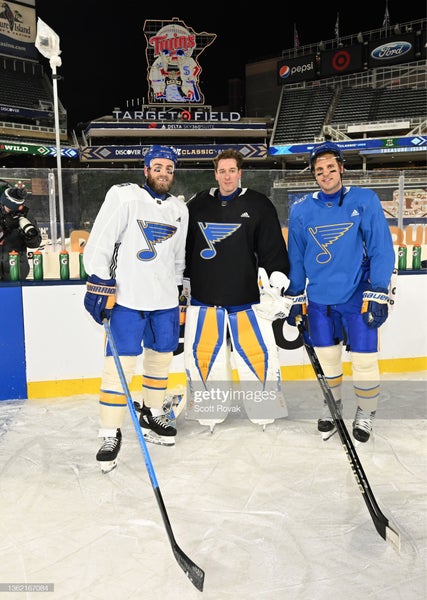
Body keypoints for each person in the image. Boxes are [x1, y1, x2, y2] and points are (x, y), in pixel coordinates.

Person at [83, 145, 188, 472]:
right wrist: (100, 280)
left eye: (169, 169)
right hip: (128, 300)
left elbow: (178, 257)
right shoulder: (125, 197)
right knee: (118, 369)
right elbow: (101, 240)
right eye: (158, 167)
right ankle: (110, 432)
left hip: (165, 302)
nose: (164, 173)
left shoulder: (179, 210)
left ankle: (153, 414)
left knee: (159, 363)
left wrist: (179, 292)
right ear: (146, 170)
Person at [285, 141, 395, 442]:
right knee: (328, 359)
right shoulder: (301, 210)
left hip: (357, 295)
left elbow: (381, 248)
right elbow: (295, 256)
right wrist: (296, 295)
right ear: (314, 174)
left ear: (341, 169)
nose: (325, 174)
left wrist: (378, 290)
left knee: (363, 359)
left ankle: (366, 411)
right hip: (319, 298)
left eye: (331, 168)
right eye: (319, 170)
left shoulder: (364, 200)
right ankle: (333, 406)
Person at [183, 148, 291, 431]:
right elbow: (186, 247)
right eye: (222, 171)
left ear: (240, 173)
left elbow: (272, 249)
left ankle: (264, 410)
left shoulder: (258, 204)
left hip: (247, 299)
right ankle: (209, 412)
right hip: (205, 297)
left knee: (257, 355)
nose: (227, 176)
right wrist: (183, 279)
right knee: (205, 356)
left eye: (232, 170)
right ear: (215, 173)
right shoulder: (197, 205)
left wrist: (277, 282)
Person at [0, 182, 42, 280]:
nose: (12, 211)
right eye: (9, 208)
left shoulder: (25, 215)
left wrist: (30, 236)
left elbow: (35, 244)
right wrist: (4, 226)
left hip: (17, 269)